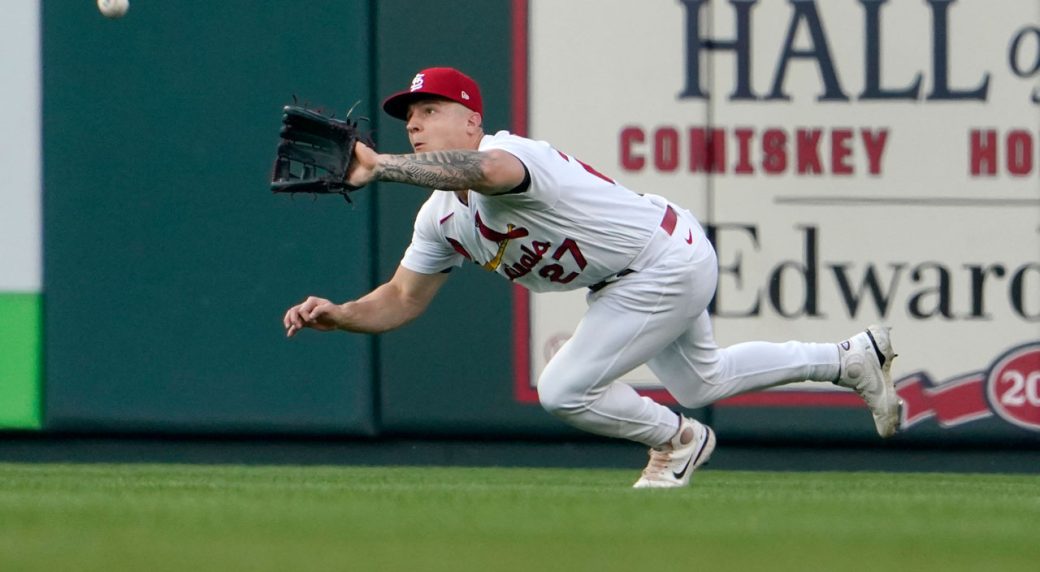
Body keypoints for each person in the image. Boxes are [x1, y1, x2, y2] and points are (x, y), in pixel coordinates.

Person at [282, 67, 902, 488]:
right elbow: (401, 298)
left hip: (662, 261)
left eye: (430, 109)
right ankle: (850, 359)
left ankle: (678, 442)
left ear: (472, 120)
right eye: (408, 115)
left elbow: (489, 170)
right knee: (700, 379)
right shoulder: (441, 218)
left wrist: (383, 167)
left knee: (563, 389)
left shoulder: (515, 153)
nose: (414, 123)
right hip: (639, 267)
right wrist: (339, 315)